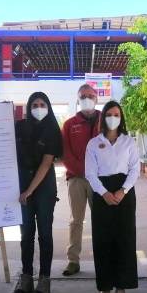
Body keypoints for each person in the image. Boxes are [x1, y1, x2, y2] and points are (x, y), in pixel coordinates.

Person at [85, 100, 140, 293]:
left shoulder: (129, 142)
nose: (113, 118)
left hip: (125, 192)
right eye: (109, 114)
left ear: (121, 117)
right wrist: (105, 193)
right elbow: (90, 173)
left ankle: (121, 285)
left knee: (124, 238)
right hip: (102, 194)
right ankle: (105, 286)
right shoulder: (93, 144)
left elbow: (135, 169)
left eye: (117, 114)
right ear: (103, 117)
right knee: (103, 239)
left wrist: (123, 190)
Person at [14, 92, 63, 293]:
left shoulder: (52, 129)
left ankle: (44, 279)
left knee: (44, 233)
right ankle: (26, 277)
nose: (39, 107)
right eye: (35, 104)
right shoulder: (20, 127)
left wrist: (29, 191)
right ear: (28, 107)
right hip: (23, 181)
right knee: (26, 234)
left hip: (43, 186)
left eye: (43, 104)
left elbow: (45, 164)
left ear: (49, 106)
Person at [61, 84, 101, 276]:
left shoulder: (106, 120)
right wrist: (83, 171)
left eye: (90, 95)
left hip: (100, 181)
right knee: (76, 221)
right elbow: (65, 154)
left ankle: (104, 259)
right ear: (78, 100)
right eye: (83, 96)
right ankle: (73, 260)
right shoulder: (69, 124)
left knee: (101, 220)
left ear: (96, 98)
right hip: (76, 179)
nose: (87, 98)